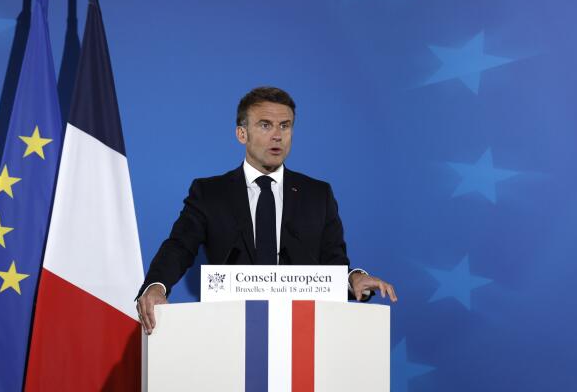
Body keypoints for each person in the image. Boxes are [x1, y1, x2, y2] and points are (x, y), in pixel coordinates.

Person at [136, 87, 397, 334]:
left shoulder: (318, 195)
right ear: (242, 134)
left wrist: (354, 278)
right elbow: (180, 246)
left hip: (303, 335)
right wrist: (156, 286)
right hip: (230, 331)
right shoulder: (210, 193)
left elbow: (333, 263)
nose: (277, 135)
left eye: (285, 126)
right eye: (265, 125)